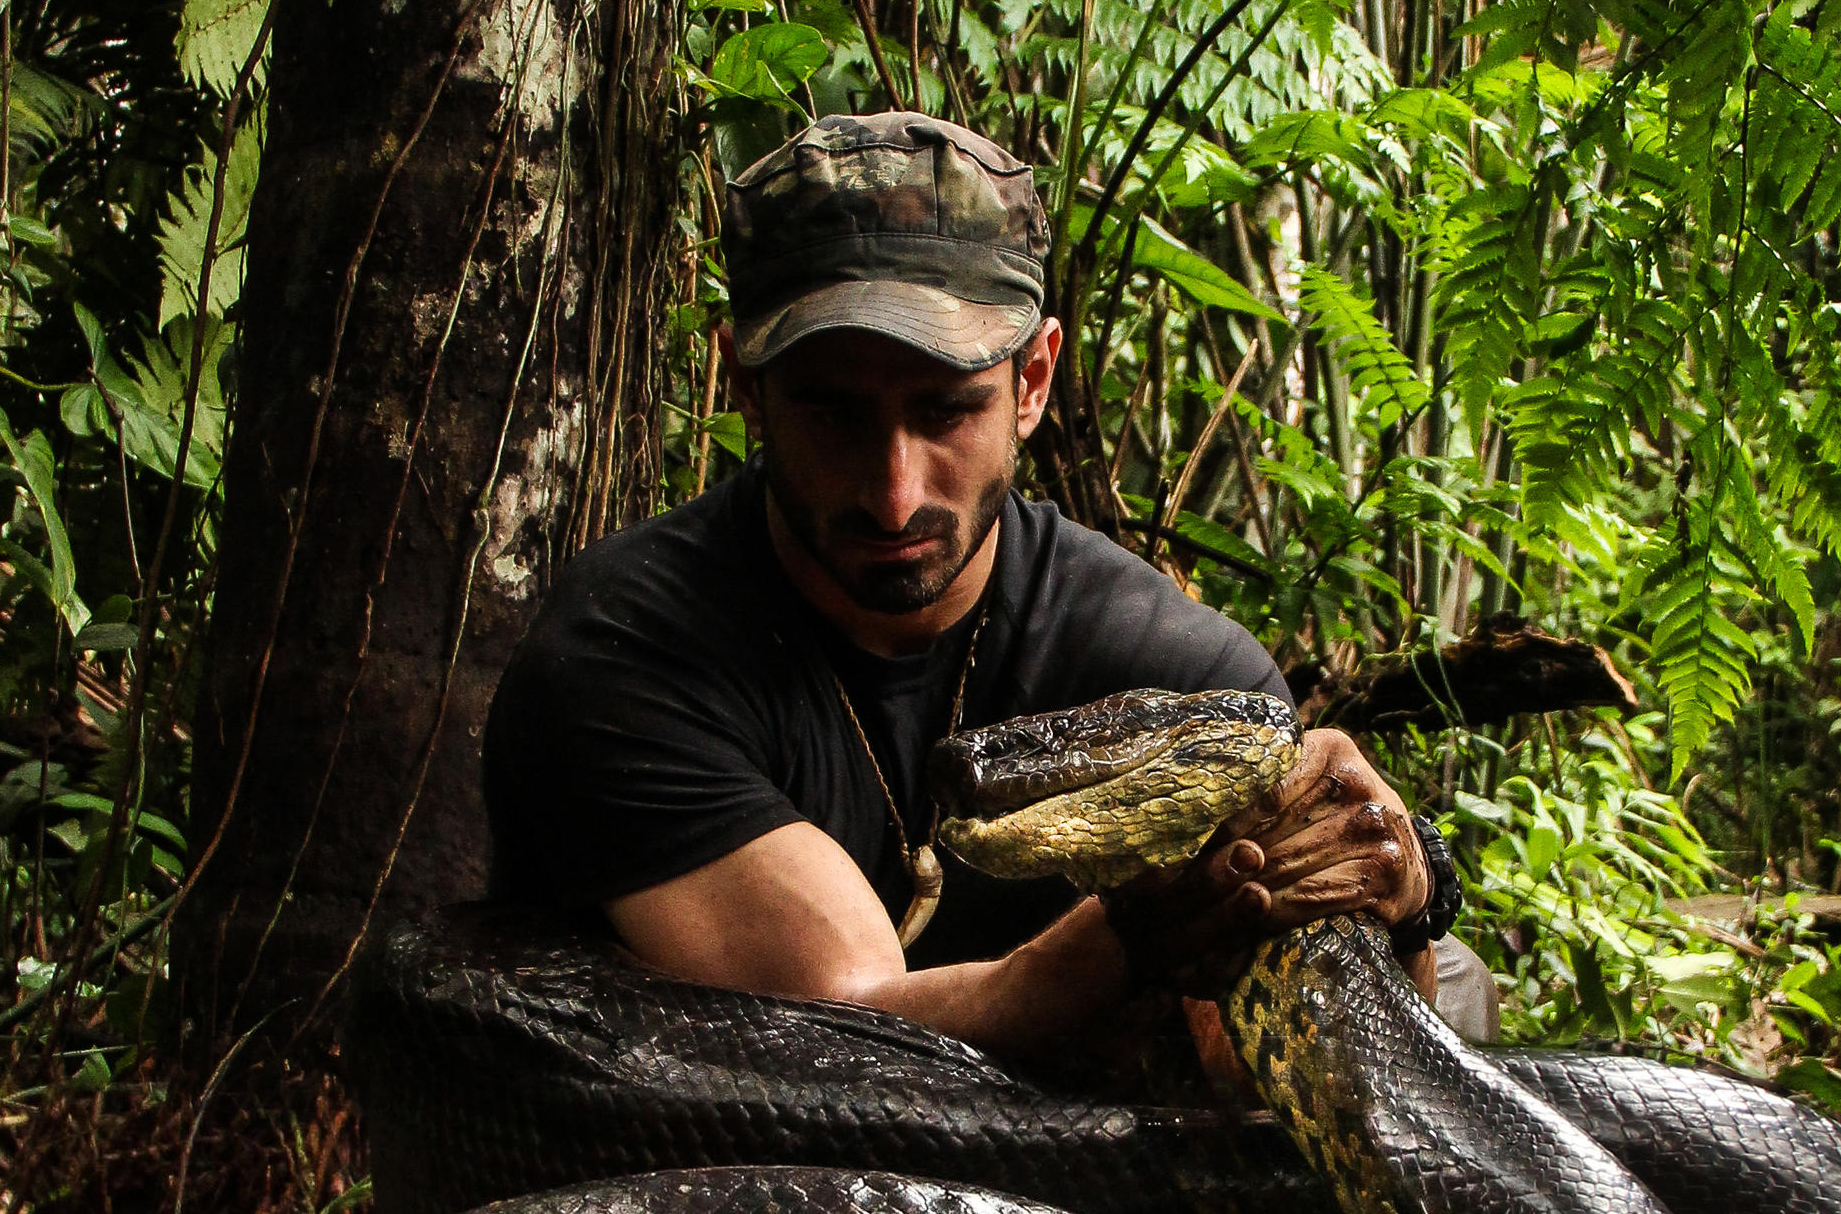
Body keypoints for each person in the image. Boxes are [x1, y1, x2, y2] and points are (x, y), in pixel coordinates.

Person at [481, 110, 1461, 1063]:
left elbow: (1346, 1088)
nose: (895, 495)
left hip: (1078, 1211)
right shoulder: (620, 658)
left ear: (1033, 381)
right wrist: (1126, 941)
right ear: (745, 383)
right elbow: (847, 1031)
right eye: (835, 416)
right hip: (691, 1193)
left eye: (947, 410)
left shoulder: (1180, 675)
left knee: (1459, 977)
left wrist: (1406, 890)